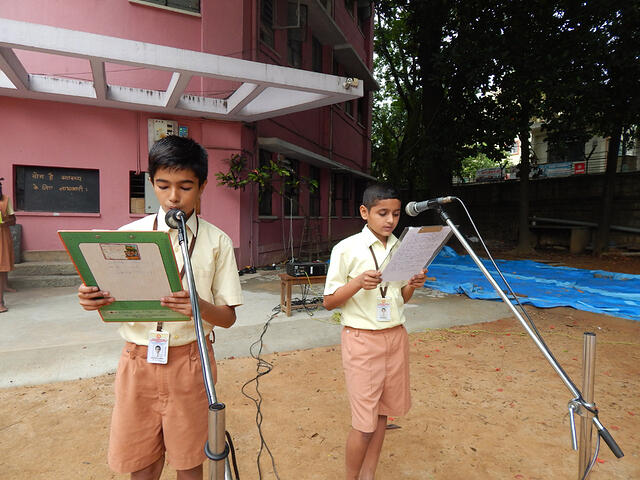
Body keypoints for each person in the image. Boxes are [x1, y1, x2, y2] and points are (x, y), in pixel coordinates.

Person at [78, 136, 243, 480]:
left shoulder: (217, 242)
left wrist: (200, 308)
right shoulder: (128, 236)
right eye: (163, 185)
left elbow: (227, 317)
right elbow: (112, 300)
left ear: (202, 187)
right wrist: (92, 299)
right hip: (138, 361)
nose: (173, 197)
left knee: (189, 462)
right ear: (151, 182)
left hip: (191, 361)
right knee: (141, 462)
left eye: (185, 186)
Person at [323, 184, 427, 480]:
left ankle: (368, 474)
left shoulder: (400, 246)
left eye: (395, 214)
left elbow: (399, 297)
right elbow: (329, 302)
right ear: (364, 212)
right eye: (382, 213)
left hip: (395, 336)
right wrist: (357, 283)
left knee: (382, 413)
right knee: (364, 423)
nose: (390, 220)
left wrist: (412, 284)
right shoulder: (346, 249)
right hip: (362, 340)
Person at [0, 178, 17, 313]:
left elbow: (13, 221)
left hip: (2, 235)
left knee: (1, 268)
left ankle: (0, 302)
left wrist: (4, 220)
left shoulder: (5, 200)